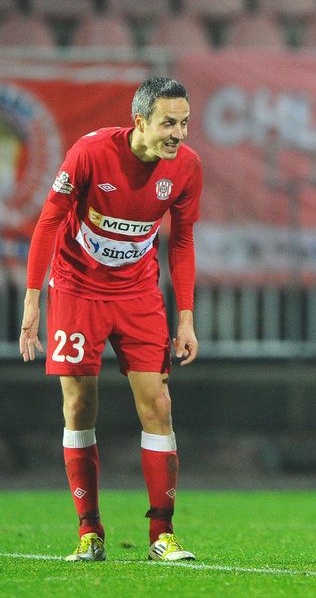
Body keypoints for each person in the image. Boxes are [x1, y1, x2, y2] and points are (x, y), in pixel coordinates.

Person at [19, 77, 203, 563]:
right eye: (169, 122)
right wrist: (33, 299)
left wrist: (185, 318)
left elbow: (181, 243)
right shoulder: (91, 152)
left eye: (184, 123)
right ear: (139, 121)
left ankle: (161, 535)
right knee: (79, 407)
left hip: (138, 294)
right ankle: (89, 531)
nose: (179, 133)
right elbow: (48, 220)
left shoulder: (185, 169)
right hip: (78, 290)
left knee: (159, 405)